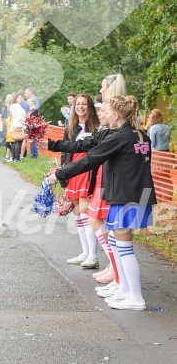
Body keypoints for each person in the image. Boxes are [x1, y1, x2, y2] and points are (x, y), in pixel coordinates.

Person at [48, 96, 157, 311]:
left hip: (127, 196)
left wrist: (59, 173)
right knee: (119, 245)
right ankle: (125, 291)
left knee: (124, 249)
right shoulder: (140, 135)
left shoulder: (120, 137)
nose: (101, 114)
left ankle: (135, 297)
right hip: (135, 195)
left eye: (105, 111)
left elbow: (90, 159)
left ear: (116, 115)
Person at [49, 94, 100, 268]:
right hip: (73, 172)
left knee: (86, 213)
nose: (80, 107)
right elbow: (65, 151)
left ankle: (93, 256)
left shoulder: (96, 127)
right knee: (78, 214)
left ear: (90, 106)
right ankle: (85, 252)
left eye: (84, 104)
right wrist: (63, 172)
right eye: (78, 104)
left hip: (87, 172)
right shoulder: (71, 127)